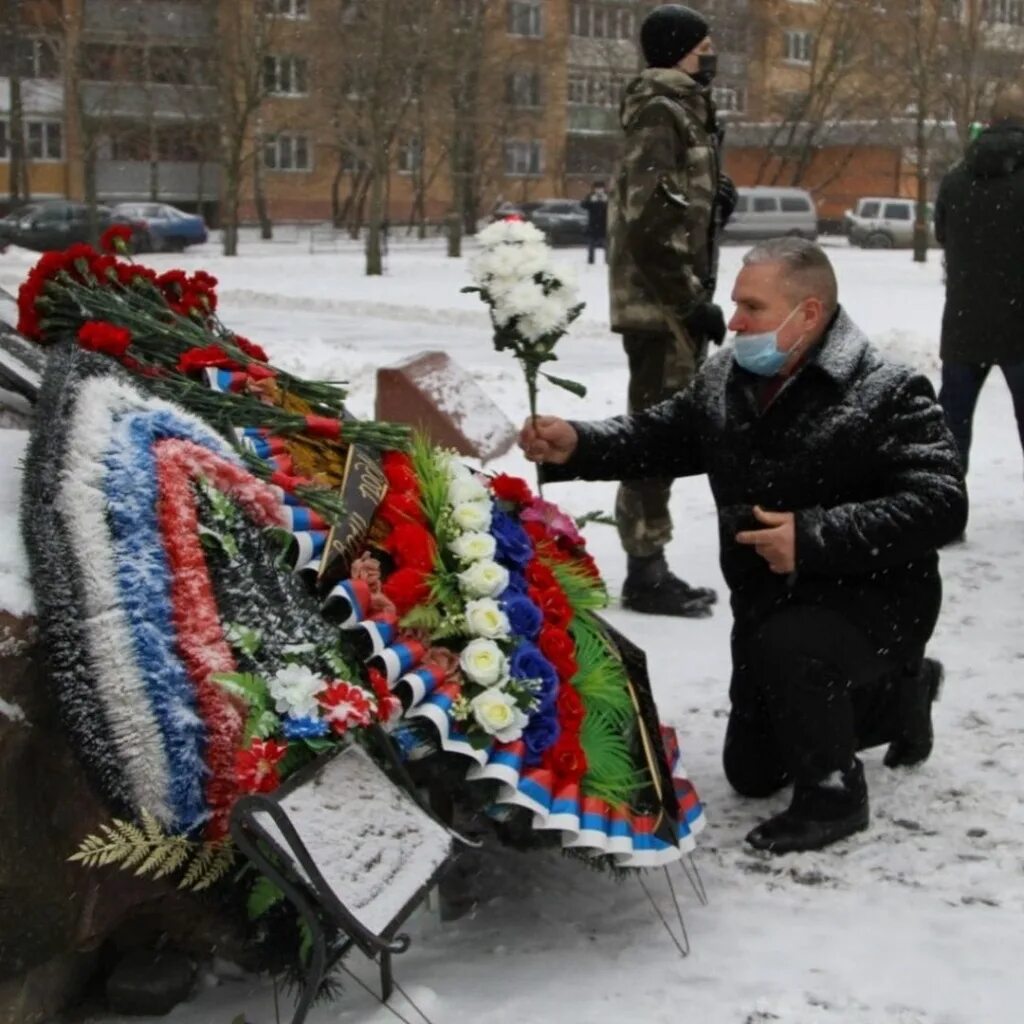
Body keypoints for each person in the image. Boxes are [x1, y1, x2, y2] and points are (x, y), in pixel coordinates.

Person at [520, 239, 967, 854]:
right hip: (767, 601)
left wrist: (812, 538)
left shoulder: (886, 389)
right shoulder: (728, 377)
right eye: (736, 305)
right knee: (752, 773)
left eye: (752, 307)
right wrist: (580, 442)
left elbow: (941, 502)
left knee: (796, 654)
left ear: (808, 314)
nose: (734, 322)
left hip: (872, 599)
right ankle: (900, 699)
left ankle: (834, 797)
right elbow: (663, 435)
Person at [609, 3, 736, 618]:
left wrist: (716, 199)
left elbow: (676, 203)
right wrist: (690, 302)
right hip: (661, 309)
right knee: (653, 432)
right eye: (705, 44)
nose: (712, 53)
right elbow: (649, 222)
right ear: (682, 49)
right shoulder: (662, 111)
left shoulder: (683, 108)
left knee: (660, 429)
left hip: (671, 304)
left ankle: (650, 562)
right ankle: (645, 571)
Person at [935, 84, 1024, 484]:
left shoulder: (955, 179)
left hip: (964, 320)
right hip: (1021, 322)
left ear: (989, 121)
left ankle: (945, 509)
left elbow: (942, 234)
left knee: (952, 422)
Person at [581, 181, 608, 265]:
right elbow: (583, 205)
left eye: (601, 188)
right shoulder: (591, 196)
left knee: (606, 245)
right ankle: (591, 261)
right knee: (591, 245)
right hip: (593, 225)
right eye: (597, 188)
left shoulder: (607, 196)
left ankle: (607, 261)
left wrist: (606, 202)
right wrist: (590, 201)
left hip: (604, 225)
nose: (599, 190)